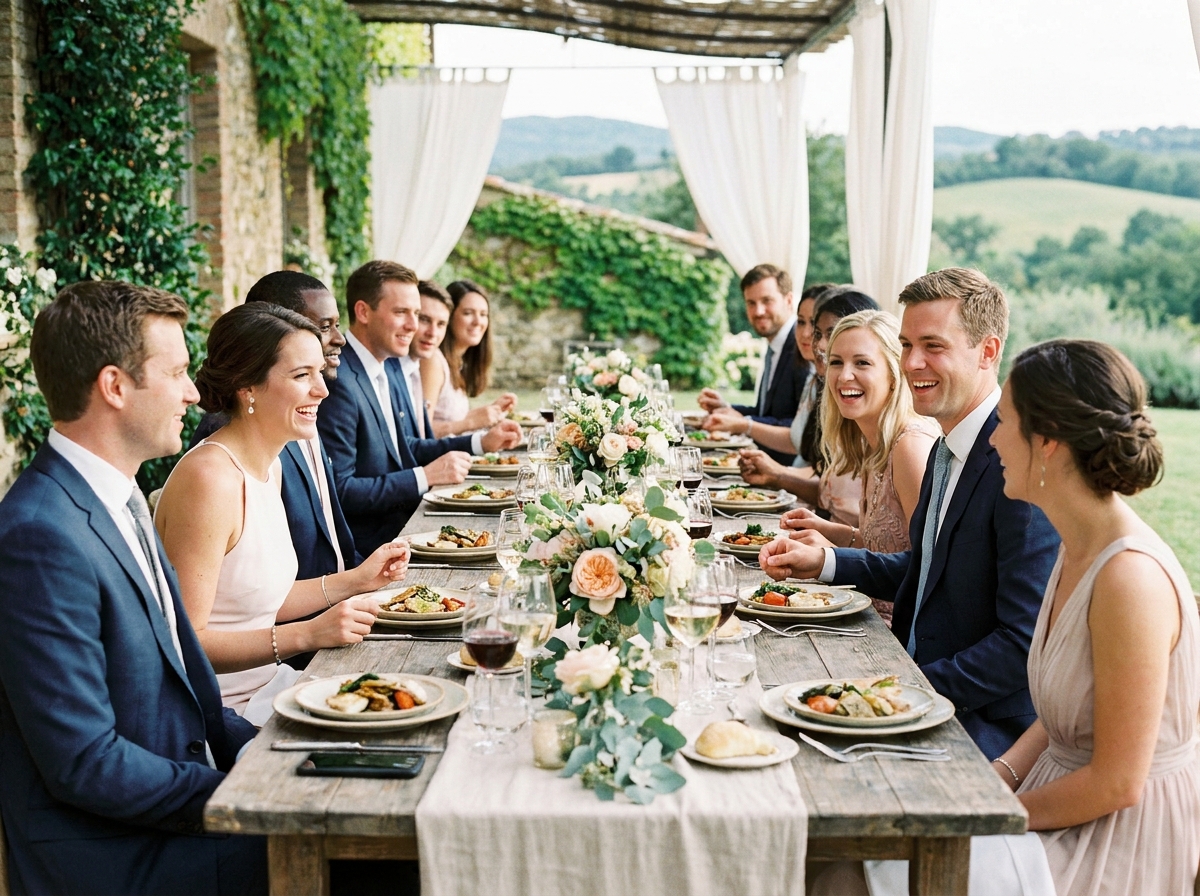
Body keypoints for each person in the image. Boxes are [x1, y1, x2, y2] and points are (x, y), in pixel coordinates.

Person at [827, 341, 1200, 896]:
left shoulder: (1128, 579)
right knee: (845, 849)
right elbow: (1065, 710)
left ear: (1046, 443)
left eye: (1005, 422)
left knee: (858, 868)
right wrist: (998, 775)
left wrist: (988, 813)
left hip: (1109, 836)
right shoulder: (1078, 547)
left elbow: (1118, 784)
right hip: (1049, 790)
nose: (993, 439)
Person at [0, 281, 266, 894]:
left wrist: (288, 748)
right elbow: (84, 763)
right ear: (115, 387)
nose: (195, 393)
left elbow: (190, 699)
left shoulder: (118, 495)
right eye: (175, 372)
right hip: (114, 856)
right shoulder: (39, 537)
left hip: (170, 809)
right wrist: (252, 794)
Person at [760, 268, 1061, 758]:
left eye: (933, 346)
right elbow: (926, 572)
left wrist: (904, 690)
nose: (912, 363)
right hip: (917, 687)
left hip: (981, 727)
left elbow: (1023, 643)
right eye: (905, 345)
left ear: (988, 351)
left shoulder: (1017, 463)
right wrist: (827, 563)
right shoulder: (947, 444)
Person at [155, 304, 410, 725]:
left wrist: (358, 580)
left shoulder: (269, 462)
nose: (323, 390)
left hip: (274, 688)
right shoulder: (211, 480)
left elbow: (254, 600)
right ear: (248, 387)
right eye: (301, 375)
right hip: (223, 717)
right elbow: (187, 642)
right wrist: (308, 634)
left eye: (318, 372)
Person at [318, 261, 522, 555]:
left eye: (415, 313)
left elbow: (406, 447)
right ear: (363, 312)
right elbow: (341, 492)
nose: (414, 326)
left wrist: (480, 442)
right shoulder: (340, 380)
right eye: (401, 312)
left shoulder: (388, 367)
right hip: (373, 548)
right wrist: (425, 477)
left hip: (408, 526)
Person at [191, 270, 360, 580]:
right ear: (275, 326)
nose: (340, 338)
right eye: (324, 326)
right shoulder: (232, 435)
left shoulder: (299, 406)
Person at [778, 311, 939, 626]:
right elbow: (886, 545)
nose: (844, 375)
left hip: (894, 636)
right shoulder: (874, 442)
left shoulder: (910, 447)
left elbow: (927, 569)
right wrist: (829, 531)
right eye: (836, 362)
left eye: (862, 363)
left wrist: (830, 558)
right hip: (861, 614)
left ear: (894, 375)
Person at [738, 288, 880, 523]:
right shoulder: (831, 396)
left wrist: (778, 473)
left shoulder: (900, 437)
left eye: (832, 333)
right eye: (816, 332)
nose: (820, 344)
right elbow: (828, 491)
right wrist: (776, 475)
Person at [702, 282, 830, 464]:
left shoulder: (804, 356)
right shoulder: (785, 354)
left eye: (767, 300)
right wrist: (728, 408)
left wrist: (743, 423)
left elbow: (796, 430)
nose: (806, 333)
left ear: (788, 301)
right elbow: (780, 421)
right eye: (751, 303)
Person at [421, 278, 517, 438]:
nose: (478, 322)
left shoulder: (458, 363)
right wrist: (471, 422)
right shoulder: (432, 361)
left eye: (483, 314)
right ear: (449, 316)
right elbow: (421, 433)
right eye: (468, 313)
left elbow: (449, 419)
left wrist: (489, 413)